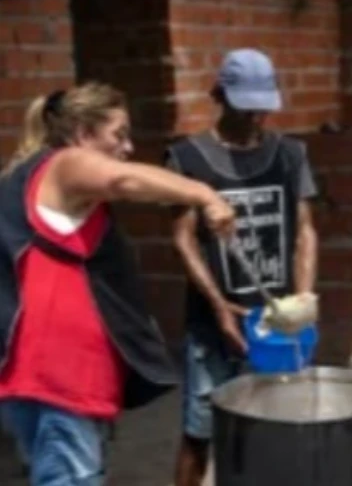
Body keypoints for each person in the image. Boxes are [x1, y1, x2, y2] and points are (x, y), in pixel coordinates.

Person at [0, 82, 235, 486]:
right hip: (56, 376)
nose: (127, 148)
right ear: (82, 134)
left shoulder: (37, 177)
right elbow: (124, 181)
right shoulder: (66, 163)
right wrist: (205, 194)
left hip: (52, 377)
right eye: (118, 135)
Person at [166, 48, 318, 486]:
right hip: (214, 322)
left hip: (274, 323)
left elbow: (305, 230)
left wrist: (301, 299)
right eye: (244, 106)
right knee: (200, 433)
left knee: (273, 428)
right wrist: (218, 306)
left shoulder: (291, 155)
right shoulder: (188, 159)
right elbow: (182, 238)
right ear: (219, 95)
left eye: (261, 107)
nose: (255, 116)